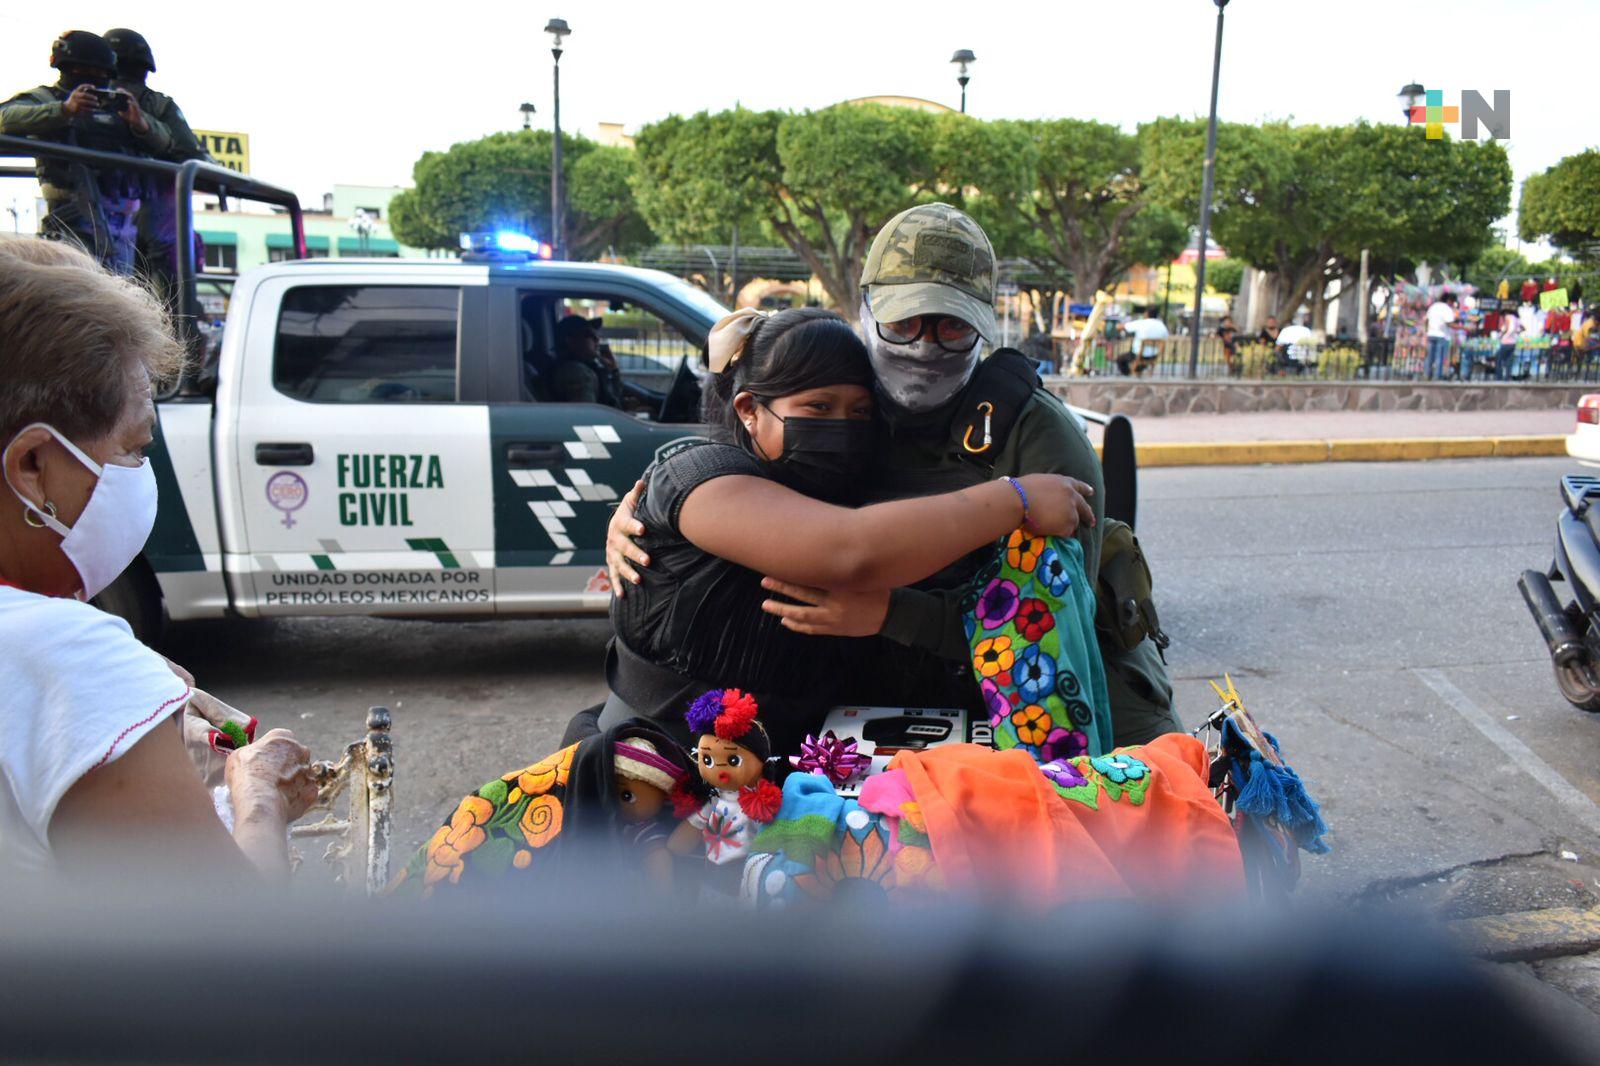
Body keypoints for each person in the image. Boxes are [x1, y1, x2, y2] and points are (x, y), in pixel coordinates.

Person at [612, 204, 1182, 749]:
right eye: (904, 322)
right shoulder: (852, 401)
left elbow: (1054, 622)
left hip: (1052, 707)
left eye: (952, 327)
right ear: (867, 313)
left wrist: (891, 613)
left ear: (982, 329)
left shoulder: (1037, 434)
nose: (925, 346)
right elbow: (776, 499)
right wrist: (644, 513)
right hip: (884, 712)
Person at [593, 306, 1093, 753]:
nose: (843, 426)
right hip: (649, 786)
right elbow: (850, 550)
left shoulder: (842, 492)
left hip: (781, 795)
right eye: (818, 407)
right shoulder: (700, 475)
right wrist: (1017, 498)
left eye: (859, 412)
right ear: (748, 411)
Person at [0, 235, 315, 879]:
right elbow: (235, 957)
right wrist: (260, 799)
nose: (141, 474)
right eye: (134, 447)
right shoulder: (63, 658)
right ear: (33, 466)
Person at [0, 31, 173, 275]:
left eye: (101, 75)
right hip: (71, 222)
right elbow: (5, 118)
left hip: (123, 229)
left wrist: (140, 122)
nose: (94, 82)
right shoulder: (47, 99)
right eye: (85, 73)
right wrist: (64, 110)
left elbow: (166, 141)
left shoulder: (117, 106)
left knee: (117, 302)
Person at [104, 28, 210, 301]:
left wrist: (144, 126)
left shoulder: (156, 107)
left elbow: (191, 157)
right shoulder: (87, 101)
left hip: (140, 221)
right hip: (111, 219)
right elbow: (194, 158)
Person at [547, 314, 624, 407]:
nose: (597, 339)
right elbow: (588, 418)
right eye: (589, 334)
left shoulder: (578, 367)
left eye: (595, 334)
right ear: (570, 340)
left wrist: (612, 369)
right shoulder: (576, 372)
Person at [1120, 307, 1169, 376]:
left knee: (1120, 359)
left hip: (1138, 355)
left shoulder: (1142, 323)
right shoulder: (1162, 326)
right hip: (1154, 356)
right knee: (1137, 361)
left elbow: (1123, 327)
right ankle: (1137, 370)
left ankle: (1128, 374)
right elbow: (1165, 338)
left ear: (1147, 314)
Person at [1424, 292, 1457, 380]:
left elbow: (1426, 320)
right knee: (1440, 357)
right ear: (1449, 301)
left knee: (1429, 357)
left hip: (1431, 334)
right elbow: (1450, 324)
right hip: (1442, 336)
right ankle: (1437, 377)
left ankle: (1427, 375)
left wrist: (1427, 331)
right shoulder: (1447, 309)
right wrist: (1465, 328)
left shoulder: (1433, 306)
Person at [1494, 308, 1523, 381]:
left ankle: (1499, 377)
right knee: (1509, 361)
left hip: (1506, 342)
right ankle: (1507, 377)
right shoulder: (1517, 319)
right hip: (1513, 343)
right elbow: (1522, 328)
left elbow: (1510, 329)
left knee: (1499, 360)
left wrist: (1504, 336)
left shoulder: (1508, 317)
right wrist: (1516, 334)